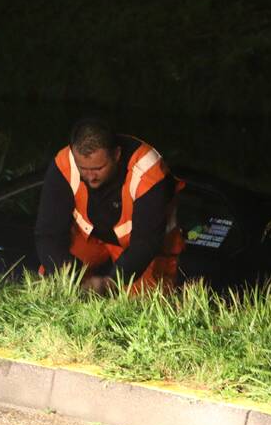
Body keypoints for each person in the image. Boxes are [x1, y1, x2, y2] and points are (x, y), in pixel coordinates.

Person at [35, 118, 183, 293]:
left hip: (142, 248)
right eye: (83, 168)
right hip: (92, 238)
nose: (90, 177)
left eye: (98, 168)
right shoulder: (64, 164)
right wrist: (74, 279)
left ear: (117, 155)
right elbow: (48, 235)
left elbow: (146, 242)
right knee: (54, 279)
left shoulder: (148, 171)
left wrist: (110, 282)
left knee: (143, 305)